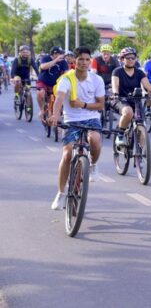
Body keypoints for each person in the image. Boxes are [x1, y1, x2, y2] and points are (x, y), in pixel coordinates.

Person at [48, 47, 106, 209]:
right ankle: (61, 193)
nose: (84, 62)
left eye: (87, 59)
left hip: (92, 118)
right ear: (74, 60)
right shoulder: (67, 79)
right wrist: (55, 115)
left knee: (94, 139)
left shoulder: (97, 80)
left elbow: (101, 105)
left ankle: (93, 165)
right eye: (81, 59)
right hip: (72, 120)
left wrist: (83, 105)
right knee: (67, 154)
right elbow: (59, 98)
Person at [111, 47, 151, 146]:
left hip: (135, 101)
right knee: (128, 112)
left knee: (141, 123)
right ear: (122, 59)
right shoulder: (117, 71)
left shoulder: (139, 72)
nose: (131, 60)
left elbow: (148, 86)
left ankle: (140, 156)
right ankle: (120, 135)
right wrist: (115, 93)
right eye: (128, 58)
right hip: (120, 100)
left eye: (133, 58)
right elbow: (115, 86)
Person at [36, 46, 69, 121]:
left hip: (56, 84)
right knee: (40, 93)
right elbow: (43, 67)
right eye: (60, 54)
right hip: (43, 81)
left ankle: (57, 118)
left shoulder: (63, 62)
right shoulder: (45, 58)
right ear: (54, 54)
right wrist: (55, 60)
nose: (62, 56)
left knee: (59, 98)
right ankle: (41, 110)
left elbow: (66, 73)